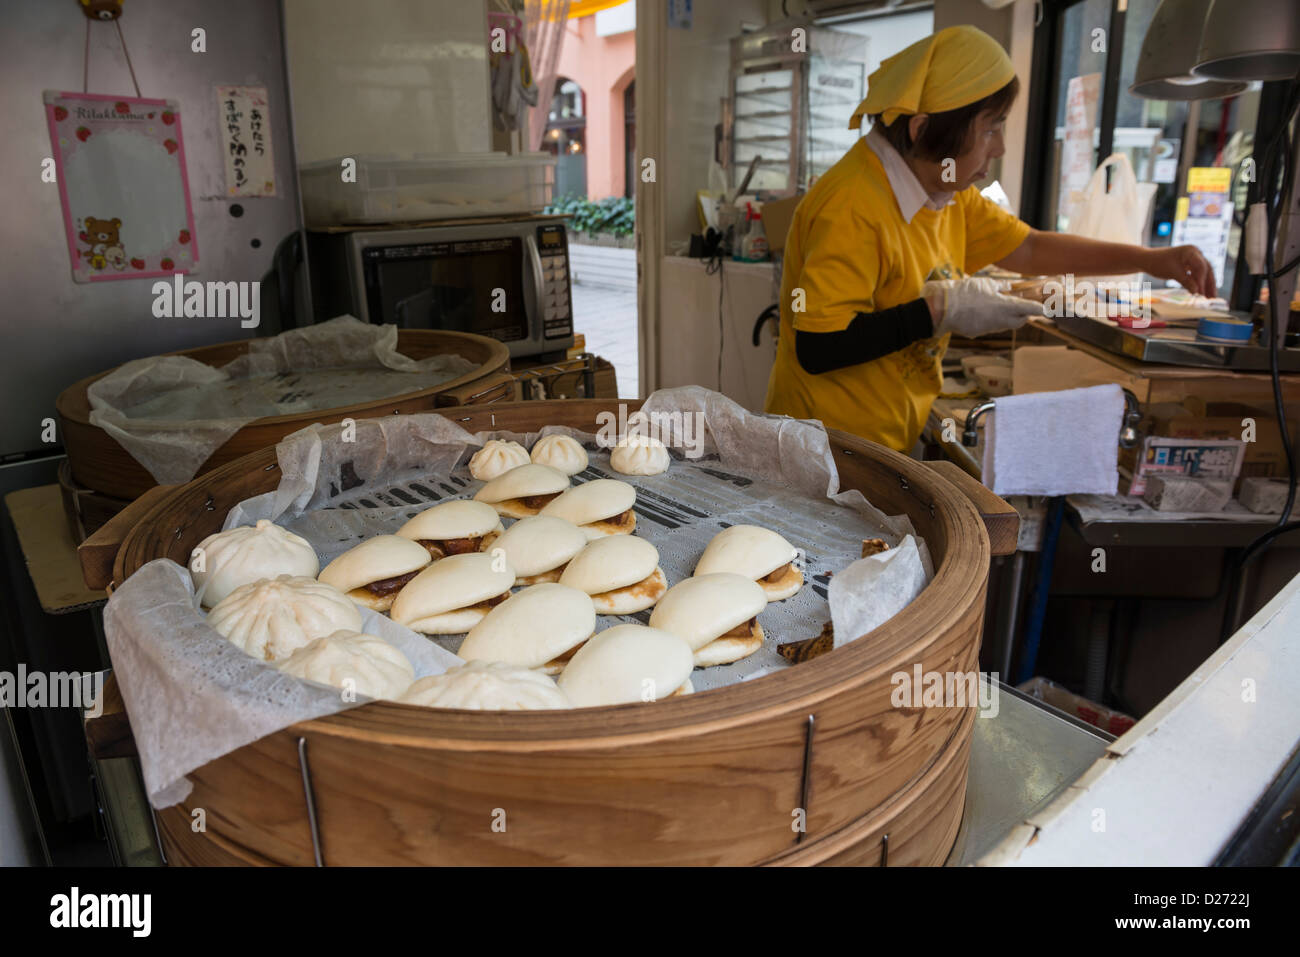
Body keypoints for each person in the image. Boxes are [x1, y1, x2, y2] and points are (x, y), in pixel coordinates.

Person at [763, 25, 1215, 453]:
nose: (998, 148)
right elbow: (819, 347)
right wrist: (942, 310)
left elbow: (1031, 248)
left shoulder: (944, 193)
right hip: (825, 451)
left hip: (882, 442)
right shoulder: (854, 203)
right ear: (923, 130)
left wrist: (1152, 260)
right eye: (991, 128)